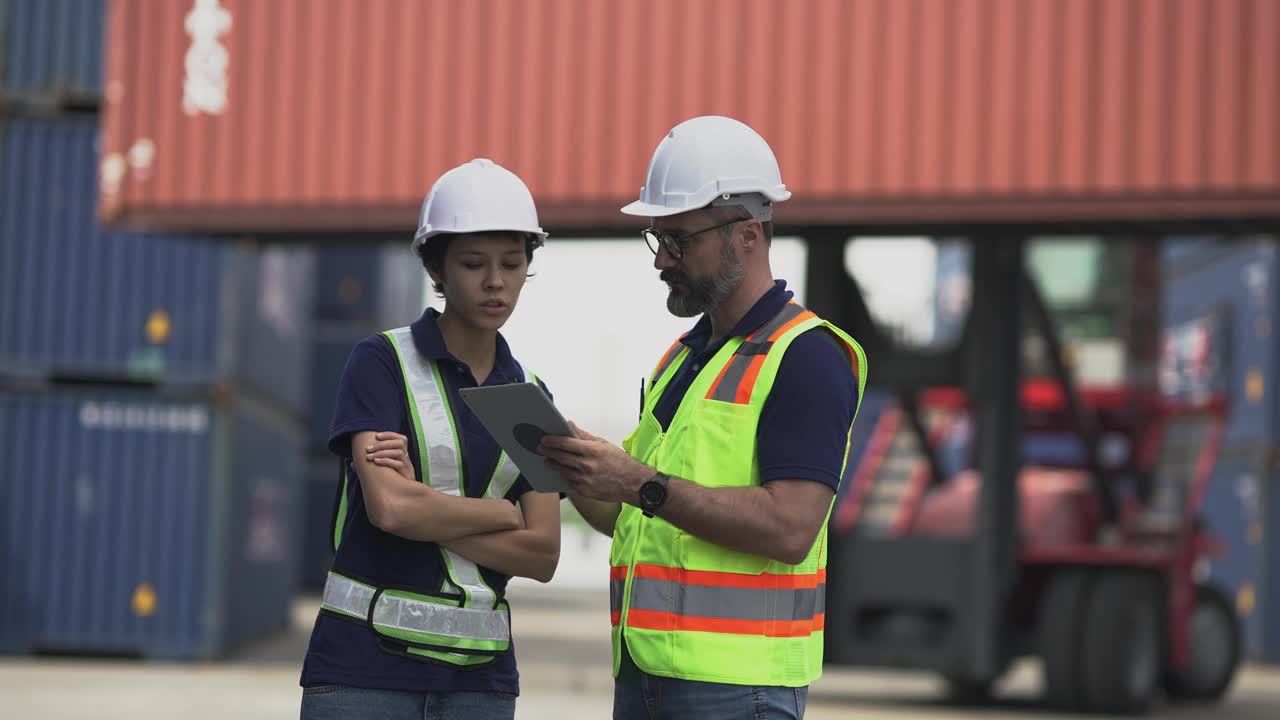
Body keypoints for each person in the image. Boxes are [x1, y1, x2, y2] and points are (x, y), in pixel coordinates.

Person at [540, 116, 867, 720]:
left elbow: (791, 530)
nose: (662, 259)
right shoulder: (684, 358)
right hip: (645, 676)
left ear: (747, 233)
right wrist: (569, 462)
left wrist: (638, 483)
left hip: (741, 694)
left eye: (680, 240)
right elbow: (633, 519)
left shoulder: (807, 356)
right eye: (657, 239)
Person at [299, 158, 562, 720]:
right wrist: (500, 513)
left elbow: (542, 554)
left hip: (480, 686)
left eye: (512, 264)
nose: (496, 281)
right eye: (473, 264)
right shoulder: (381, 363)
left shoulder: (531, 397)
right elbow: (392, 508)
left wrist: (431, 510)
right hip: (362, 673)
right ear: (436, 269)